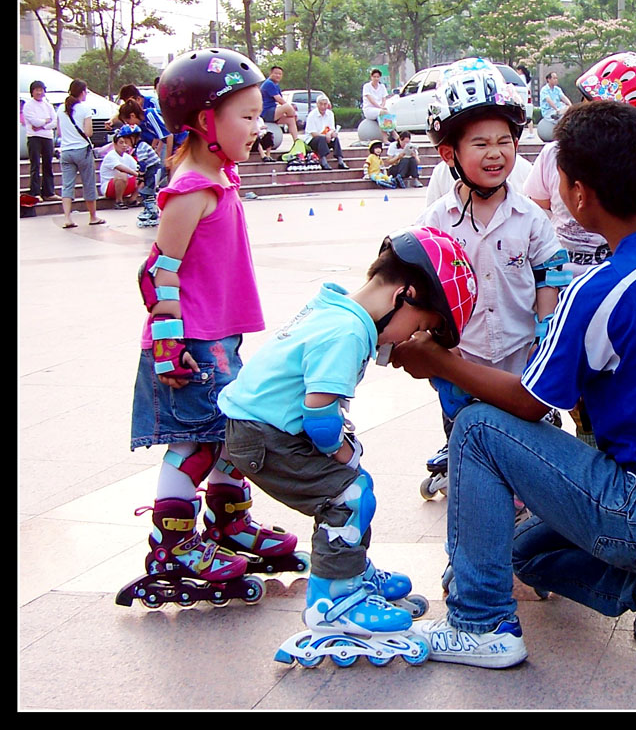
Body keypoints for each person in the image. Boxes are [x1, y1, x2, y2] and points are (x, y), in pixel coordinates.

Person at [391, 99, 636, 668]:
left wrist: (439, 362)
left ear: (580, 194)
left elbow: (529, 405)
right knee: (519, 553)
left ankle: (479, 622)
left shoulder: (600, 290)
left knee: (477, 428)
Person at [217, 226, 476, 668]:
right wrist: (340, 449)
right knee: (348, 494)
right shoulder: (349, 332)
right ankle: (335, 602)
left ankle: (350, 570)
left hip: (257, 428)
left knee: (353, 487)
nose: (411, 339)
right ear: (406, 295)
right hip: (265, 435)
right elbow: (319, 415)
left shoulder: (335, 309)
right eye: (423, 326)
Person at [121, 48, 300, 610]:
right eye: (245, 116)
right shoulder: (192, 186)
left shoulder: (219, 176)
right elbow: (158, 270)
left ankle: (229, 525)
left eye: (257, 114)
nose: (257, 125)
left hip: (216, 335)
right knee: (201, 438)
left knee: (233, 430)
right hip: (192, 341)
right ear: (204, 122)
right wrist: (169, 344)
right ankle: (171, 544)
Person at [415, 56, 565, 501]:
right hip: (463, 353)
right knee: (467, 428)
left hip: (521, 350)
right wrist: (436, 339)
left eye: (504, 140)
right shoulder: (435, 221)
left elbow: (548, 273)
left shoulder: (530, 217)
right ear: (450, 155)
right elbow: (424, 286)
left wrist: (545, 328)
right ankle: (471, 479)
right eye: (479, 143)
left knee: (524, 427)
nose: (495, 153)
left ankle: (528, 485)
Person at [525, 51, 636, 447]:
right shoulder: (553, 156)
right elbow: (536, 211)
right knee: (561, 379)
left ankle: (594, 454)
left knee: (606, 386)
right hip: (561, 286)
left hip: (614, 287)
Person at [57, 79, 104, 229]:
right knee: (88, 183)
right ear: (82, 92)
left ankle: (67, 218)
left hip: (65, 151)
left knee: (67, 185)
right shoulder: (84, 108)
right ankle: (93, 216)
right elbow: (89, 132)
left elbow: (59, 132)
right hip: (82, 150)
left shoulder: (60, 108)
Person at [115, 123, 164, 228]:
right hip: (151, 170)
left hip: (153, 170)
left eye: (126, 141)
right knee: (145, 191)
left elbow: (142, 164)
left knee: (147, 191)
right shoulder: (141, 146)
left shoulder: (141, 147)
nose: (126, 144)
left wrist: (140, 177)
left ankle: (152, 213)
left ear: (132, 138)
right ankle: (148, 210)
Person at [23, 79, 59, 202]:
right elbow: (33, 121)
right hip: (34, 137)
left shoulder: (48, 105)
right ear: (32, 92)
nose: (39, 92)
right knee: (35, 165)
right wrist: (45, 121)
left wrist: (42, 125)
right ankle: (35, 192)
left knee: (48, 164)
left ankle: (49, 192)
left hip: (47, 137)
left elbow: (54, 121)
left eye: (41, 90)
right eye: (36, 90)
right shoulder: (28, 105)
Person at [99, 124, 140, 209]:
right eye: (121, 143)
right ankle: (119, 201)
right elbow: (121, 167)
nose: (124, 145)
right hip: (109, 188)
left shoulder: (127, 157)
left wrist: (141, 174)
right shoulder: (110, 156)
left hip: (125, 185)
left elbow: (137, 168)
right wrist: (136, 174)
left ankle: (132, 200)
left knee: (144, 176)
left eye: (125, 142)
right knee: (122, 175)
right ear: (115, 144)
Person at [304, 94, 349, 171]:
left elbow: (332, 128)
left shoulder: (330, 114)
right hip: (313, 140)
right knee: (321, 139)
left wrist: (331, 133)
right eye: (321, 104)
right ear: (317, 104)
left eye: (325, 104)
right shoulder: (312, 115)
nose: (323, 106)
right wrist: (325, 136)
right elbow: (313, 133)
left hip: (326, 138)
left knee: (335, 139)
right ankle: (323, 161)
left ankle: (340, 161)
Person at [259, 65, 300, 146]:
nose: (278, 75)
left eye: (280, 74)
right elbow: (279, 100)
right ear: (271, 73)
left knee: (290, 120)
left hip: (273, 112)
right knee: (288, 107)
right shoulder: (269, 83)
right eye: (276, 73)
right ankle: (294, 115)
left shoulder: (276, 85)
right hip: (266, 112)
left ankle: (297, 142)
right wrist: (291, 111)